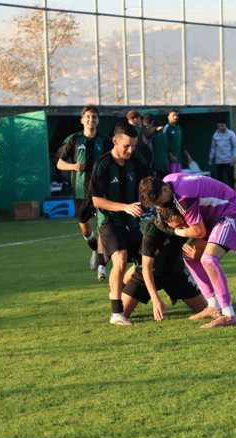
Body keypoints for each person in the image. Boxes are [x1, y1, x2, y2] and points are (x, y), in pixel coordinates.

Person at [139, 173, 236, 328]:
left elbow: (199, 232)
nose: (160, 208)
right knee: (189, 255)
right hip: (216, 218)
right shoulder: (168, 181)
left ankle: (229, 314)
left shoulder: (184, 197)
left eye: (160, 203)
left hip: (232, 214)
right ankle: (213, 305)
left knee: (209, 259)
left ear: (165, 189)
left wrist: (175, 231)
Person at [90, 121, 149, 326]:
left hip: (132, 222)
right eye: (126, 146)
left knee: (147, 261)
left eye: (133, 145)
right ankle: (116, 313)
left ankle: (116, 289)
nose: (130, 150)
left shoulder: (138, 160)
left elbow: (148, 187)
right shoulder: (103, 164)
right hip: (109, 220)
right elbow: (96, 200)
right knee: (121, 257)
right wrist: (124, 207)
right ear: (115, 140)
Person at [57, 105, 111, 280]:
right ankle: (95, 250)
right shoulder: (74, 139)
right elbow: (59, 163)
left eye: (94, 117)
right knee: (85, 229)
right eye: (87, 117)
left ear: (98, 120)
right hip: (80, 190)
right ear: (82, 120)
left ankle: (102, 267)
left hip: (101, 191)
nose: (91, 120)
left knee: (102, 227)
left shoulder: (105, 141)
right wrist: (72, 166)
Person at [121, 214, 207, 321]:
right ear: (167, 222)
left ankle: (174, 293)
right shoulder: (153, 228)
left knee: (205, 309)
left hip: (176, 274)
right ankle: (122, 288)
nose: (185, 228)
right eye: (179, 225)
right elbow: (146, 267)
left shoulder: (190, 221)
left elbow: (209, 237)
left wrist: (199, 253)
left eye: (185, 223)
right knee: (121, 314)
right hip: (150, 274)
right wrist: (155, 298)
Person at [208, 120, 236, 188]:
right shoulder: (215, 135)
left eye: (222, 126)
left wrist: (235, 156)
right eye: (219, 126)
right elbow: (213, 147)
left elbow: (235, 146)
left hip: (229, 160)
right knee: (220, 178)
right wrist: (211, 157)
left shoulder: (231, 134)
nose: (220, 128)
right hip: (219, 160)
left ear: (225, 125)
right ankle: (221, 194)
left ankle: (232, 193)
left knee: (231, 177)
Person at [164, 109, 193, 174]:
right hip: (170, 161)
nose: (175, 117)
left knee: (178, 180)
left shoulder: (178, 128)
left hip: (178, 160)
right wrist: (170, 155)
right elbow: (164, 143)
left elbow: (180, 143)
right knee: (171, 181)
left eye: (177, 115)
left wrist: (188, 155)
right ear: (168, 117)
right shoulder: (166, 128)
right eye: (173, 115)